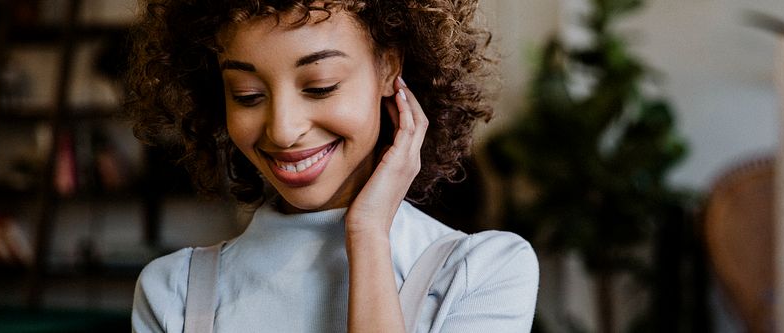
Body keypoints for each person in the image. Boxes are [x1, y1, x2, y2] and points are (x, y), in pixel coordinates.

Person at [125, 1, 539, 332]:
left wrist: (369, 233)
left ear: (388, 68)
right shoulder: (174, 292)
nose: (283, 130)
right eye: (247, 95)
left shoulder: (481, 273)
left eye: (320, 86)